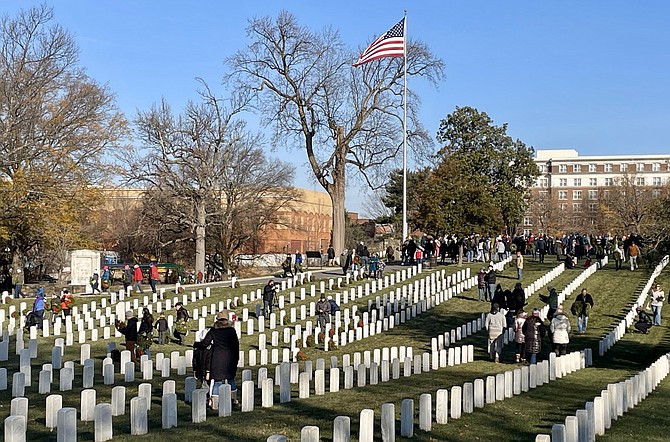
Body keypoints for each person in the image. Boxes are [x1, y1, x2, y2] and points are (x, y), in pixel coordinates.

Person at [193, 310, 240, 408]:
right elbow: (236, 346)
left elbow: (204, 344)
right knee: (231, 379)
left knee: (217, 382)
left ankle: (215, 404)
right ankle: (234, 400)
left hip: (217, 359)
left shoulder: (213, 331)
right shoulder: (231, 331)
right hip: (229, 358)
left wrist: (196, 344)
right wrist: (236, 359)